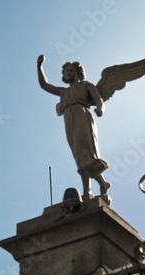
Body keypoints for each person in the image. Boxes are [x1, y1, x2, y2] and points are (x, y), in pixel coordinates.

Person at [37, 54, 111, 201]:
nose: (69, 73)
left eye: (72, 71)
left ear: (77, 73)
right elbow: (45, 85)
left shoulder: (86, 86)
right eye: (66, 71)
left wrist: (100, 109)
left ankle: (87, 191)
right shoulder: (63, 92)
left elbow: (98, 100)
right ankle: (102, 183)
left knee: (85, 152)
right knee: (79, 154)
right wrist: (39, 67)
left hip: (82, 115)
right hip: (69, 120)